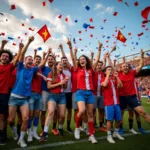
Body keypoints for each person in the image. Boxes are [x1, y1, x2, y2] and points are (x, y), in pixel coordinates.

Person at [8, 36, 50, 148]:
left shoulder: (33, 69)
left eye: (32, 60)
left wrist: (46, 56)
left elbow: (41, 64)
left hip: (25, 99)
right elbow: (21, 55)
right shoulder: (20, 67)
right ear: (24, 61)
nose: (30, 61)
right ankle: (14, 131)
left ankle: (21, 139)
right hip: (14, 97)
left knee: (26, 118)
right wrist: (28, 42)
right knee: (10, 120)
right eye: (29, 59)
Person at [73, 41, 102, 144]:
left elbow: (97, 59)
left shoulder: (91, 69)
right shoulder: (77, 69)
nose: (82, 60)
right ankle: (77, 128)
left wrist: (99, 49)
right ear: (79, 61)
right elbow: (73, 59)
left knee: (90, 114)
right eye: (80, 59)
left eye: (83, 59)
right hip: (80, 92)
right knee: (81, 111)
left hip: (90, 93)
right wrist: (73, 50)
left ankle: (91, 135)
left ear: (86, 60)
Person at [40, 61, 68, 142]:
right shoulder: (51, 74)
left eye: (62, 65)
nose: (61, 66)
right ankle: (45, 132)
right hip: (52, 95)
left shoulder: (64, 75)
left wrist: (66, 81)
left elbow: (65, 87)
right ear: (56, 66)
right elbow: (48, 86)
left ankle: (60, 127)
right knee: (51, 112)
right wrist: (60, 83)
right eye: (60, 65)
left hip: (62, 96)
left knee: (62, 115)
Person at [0, 40, 22, 145]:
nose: (4, 57)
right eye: (3, 56)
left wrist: (20, 48)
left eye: (6, 56)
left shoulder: (10, 67)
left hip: (6, 94)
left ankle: (4, 135)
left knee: (4, 116)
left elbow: (17, 59)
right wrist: (2, 45)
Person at [27, 49, 48, 142]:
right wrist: (43, 76)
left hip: (38, 94)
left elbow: (43, 63)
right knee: (30, 115)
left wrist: (46, 55)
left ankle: (34, 132)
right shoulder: (31, 68)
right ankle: (29, 132)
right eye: (36, 59)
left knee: (37, 114)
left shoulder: (40, 69)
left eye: (40, 60)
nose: (38, 61)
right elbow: (35, 72)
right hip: (31, 94)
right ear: (34, 60)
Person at [101, 66, 124, 144]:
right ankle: (109, 135)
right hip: (108, 103)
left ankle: (116, 133)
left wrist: (117, 77)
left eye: (111, 70)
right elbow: (104, 85)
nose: (110, 71)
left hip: (116, 102)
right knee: (109, 120)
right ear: (105, 72)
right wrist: (107, 75)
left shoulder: (114, 79)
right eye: (108, 70)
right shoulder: (103, 79)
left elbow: (121, 86)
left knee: (119, 120)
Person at [40, 52, 56, 136]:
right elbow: (42, 63)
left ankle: (54, 128)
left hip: (54, 92)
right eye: (49, 59)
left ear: (54, 60)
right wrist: (45, 56)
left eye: (51, 59)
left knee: (54, 111)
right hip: (45, 91)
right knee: (43, 111)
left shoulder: (56, 69)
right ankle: (43, 129)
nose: (50, 60)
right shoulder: (43, 68)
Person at [59, 43, 73, 134]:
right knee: (59, 112)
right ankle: (57, 127)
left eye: (65, 60)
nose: (64, 61)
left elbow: (66, 58)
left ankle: (68, 126)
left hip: (70, 92)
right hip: (60, 93)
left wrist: (63, 49)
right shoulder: (58, 69)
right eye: (62, 60)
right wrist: (62, 48)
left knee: (69, 110)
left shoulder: (70, 70)